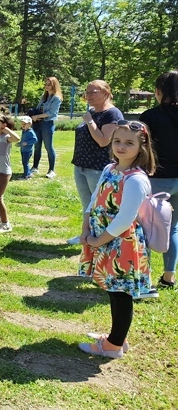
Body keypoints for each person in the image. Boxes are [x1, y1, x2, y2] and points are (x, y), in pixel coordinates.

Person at [77, 120, 156, 358]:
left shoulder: (135, 179)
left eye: (129, 143)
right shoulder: (109, 169)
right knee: (113, 290)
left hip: (121, 244)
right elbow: (93, 200)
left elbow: (124, 220)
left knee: (120, 294)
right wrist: (85, 229)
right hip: (102, 239)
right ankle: (117, 338)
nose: (121, 147)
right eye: (117, 141)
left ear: (142, 147)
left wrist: (98, 241)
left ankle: (112, 347)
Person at [67, 80, 125, 244]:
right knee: (87, 204)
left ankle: (102, 238)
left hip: (98, 167)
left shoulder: (112, 114)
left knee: (99, 205)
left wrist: (90, 122)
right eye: (87, 92)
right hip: (81, 165)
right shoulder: (92, 111)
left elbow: (103, 141)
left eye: (94, 92)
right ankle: (86, 235)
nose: (89, 95)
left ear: (106, 93)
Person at [139, 71, 178, 290]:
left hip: (156, 179)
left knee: (145, 228)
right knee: (172, 228)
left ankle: (143, 276)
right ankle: (168, 277)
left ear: (158, 91)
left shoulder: (150, 116)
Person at [30, 77, 63, 179]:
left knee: (48, 147)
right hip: (38, 124)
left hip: (47, 124)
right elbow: (38, 108)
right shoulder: (44, 96)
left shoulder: (56, 98)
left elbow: (52, 113)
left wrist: (37, 116)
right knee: (37, 145)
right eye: (46, 84)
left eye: (49, 84)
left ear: (54, 86)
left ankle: (51, 170)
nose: (46, 86)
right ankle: (35, 167)